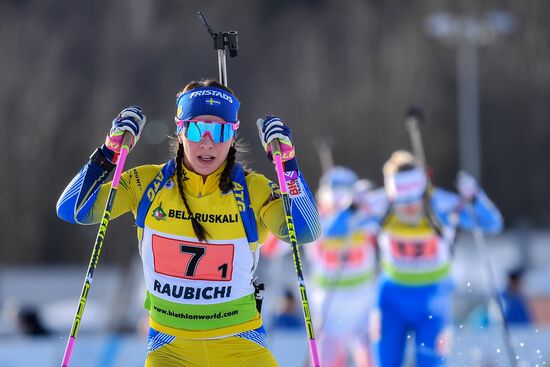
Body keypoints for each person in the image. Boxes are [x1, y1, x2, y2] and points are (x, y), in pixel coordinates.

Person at [56, 79, 321, 366]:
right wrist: (108, 153)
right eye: (196, 129)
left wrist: (288, 164)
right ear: (180, 131)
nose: (207, 142)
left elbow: (306, 231)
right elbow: (73, 210)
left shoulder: (253, 190)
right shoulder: (147, 183)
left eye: (219, 131)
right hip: (170, 350)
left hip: (241, 347)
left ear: (232, 136)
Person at [361, 150, 503, 367]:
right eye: (401, 201)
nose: (408, 208)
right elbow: (330, 230)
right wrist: (349, 206)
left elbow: (492, 223)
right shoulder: (381, 204)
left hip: (433, 300)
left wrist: (476, 198)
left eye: (414, 199)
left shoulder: (442, 205)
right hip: (391, 299)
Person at [306, 166, 378, 367]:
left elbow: (382, 217)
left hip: (363, 302)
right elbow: (329, 230)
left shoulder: (363, 214)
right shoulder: (315, 217)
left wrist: (366, 205)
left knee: (372, 358)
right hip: (329, 305)